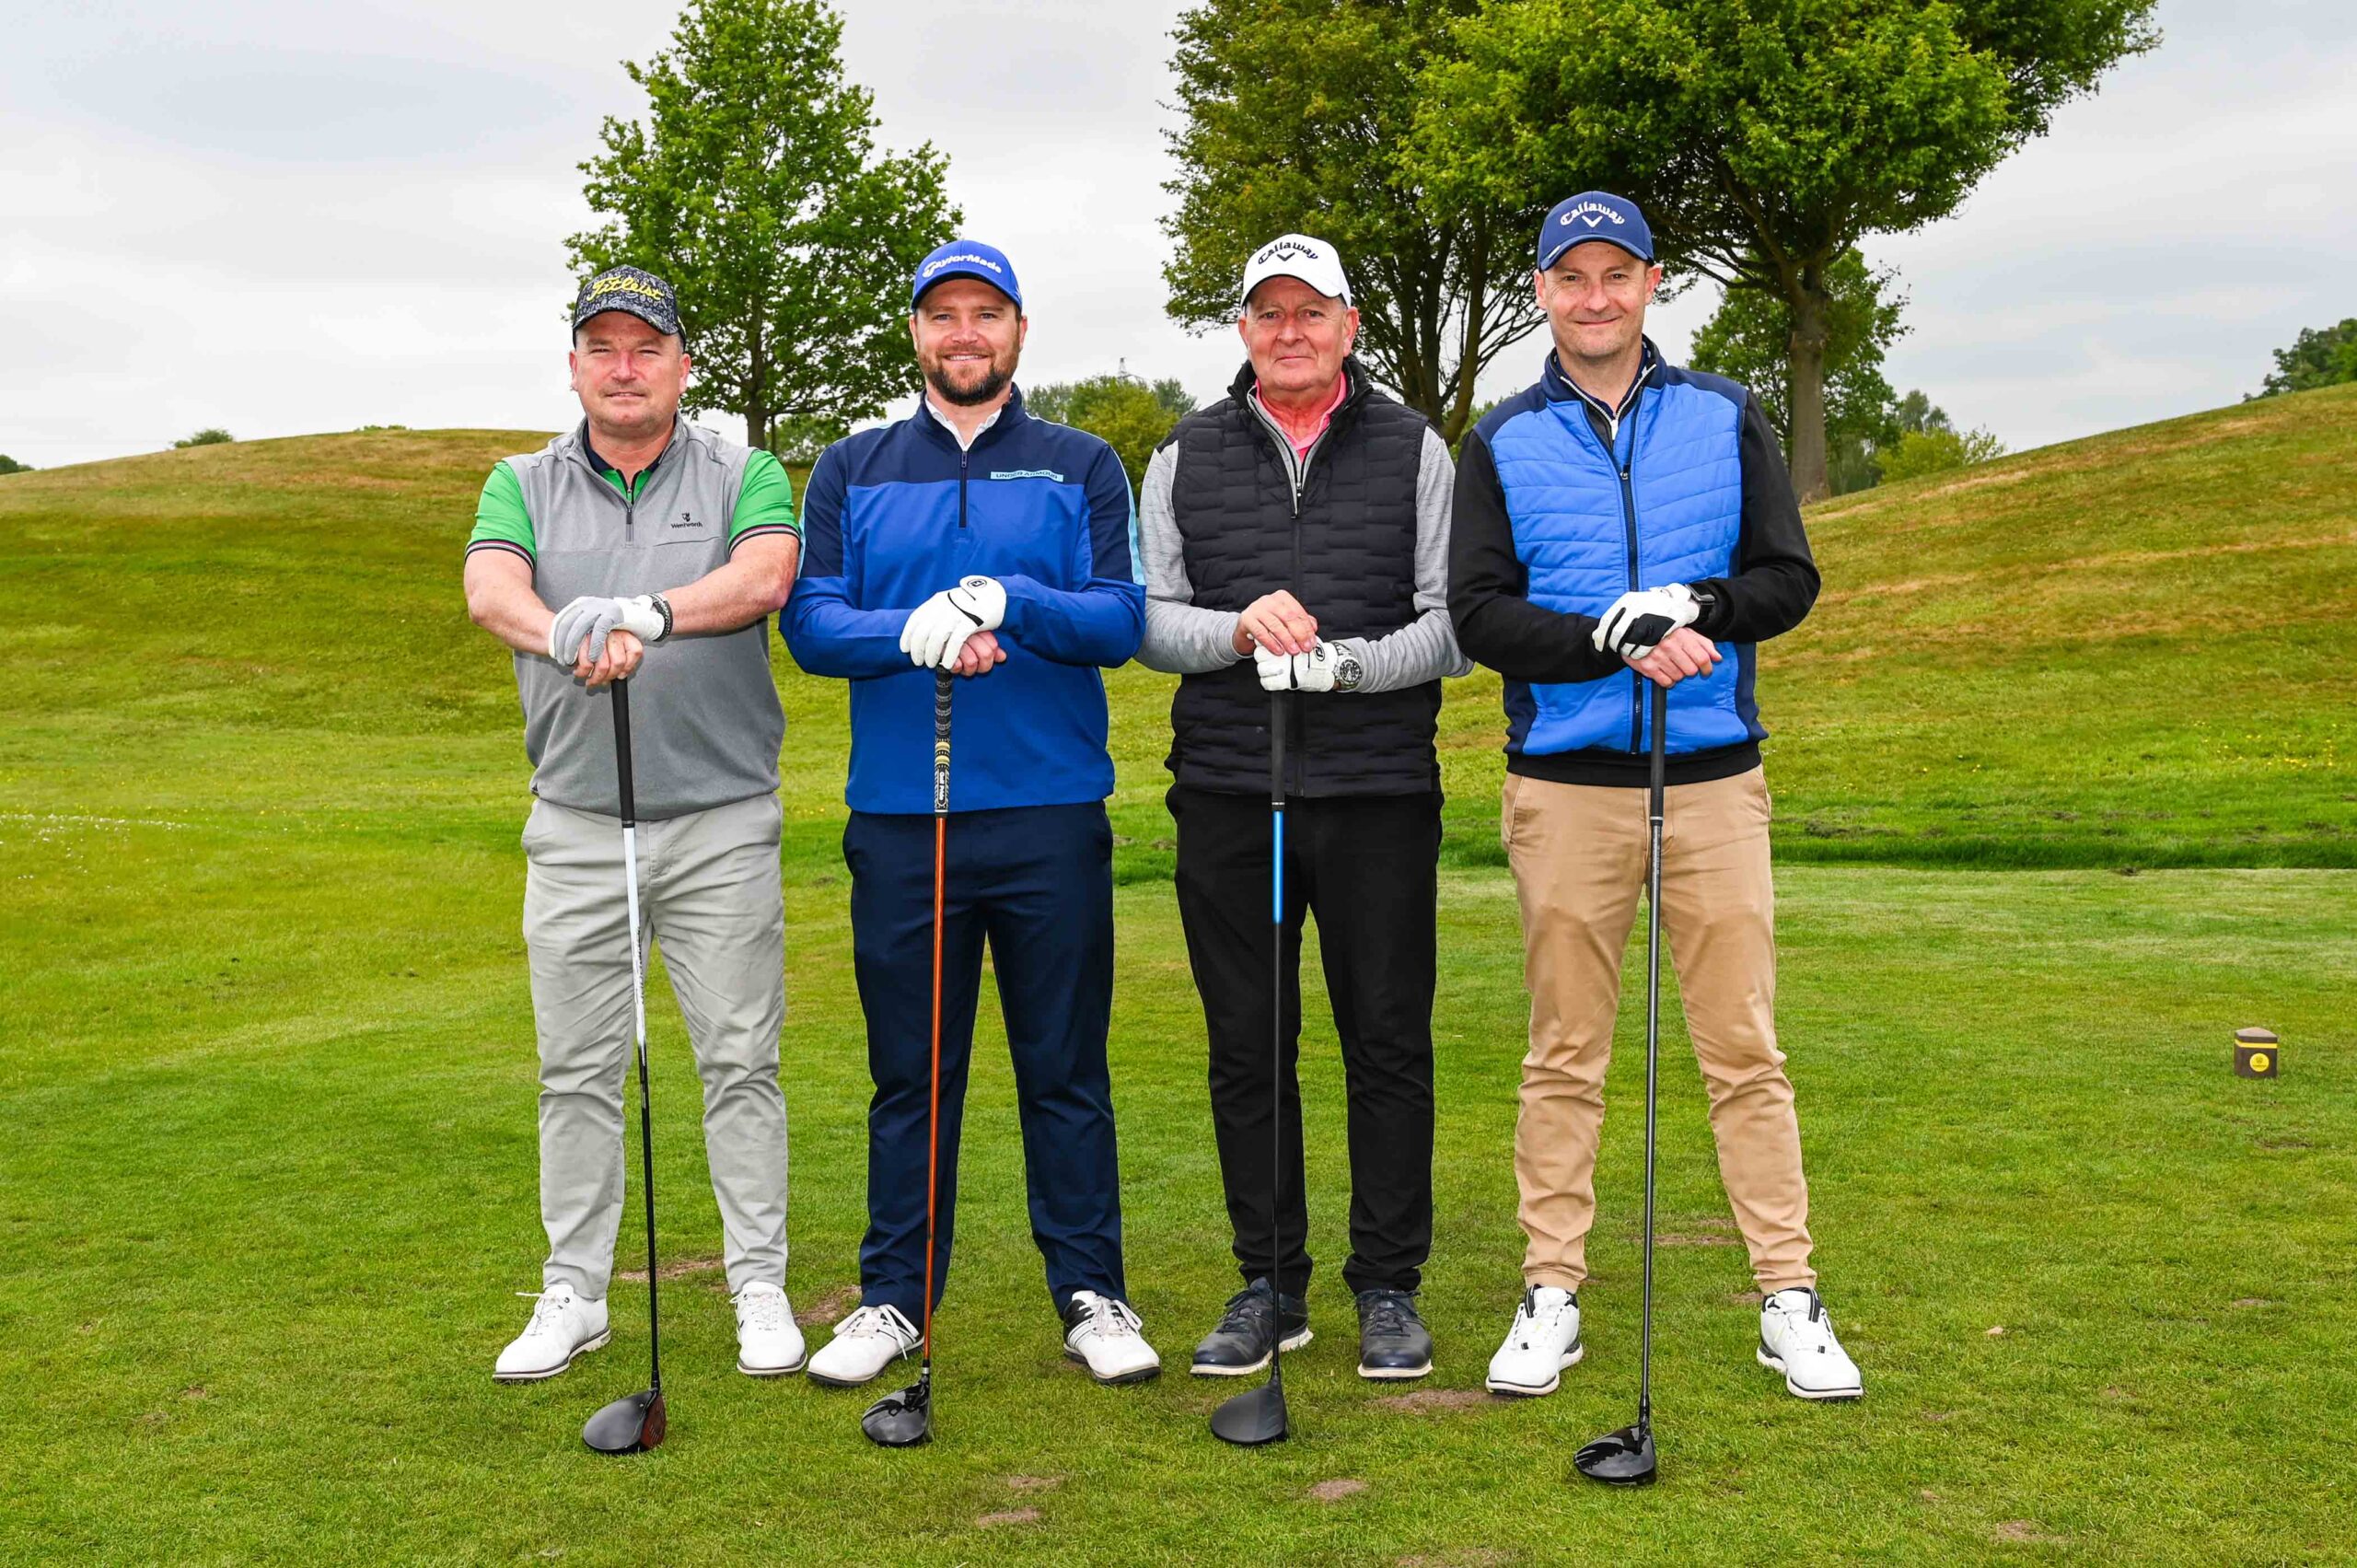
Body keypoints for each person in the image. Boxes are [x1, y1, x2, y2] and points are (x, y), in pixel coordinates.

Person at [1448, 192, 1862, 1401]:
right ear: (1542, 291)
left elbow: (1788, 578)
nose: (1595, 296)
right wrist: (1605, 635)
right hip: (1565, 785)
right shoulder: (1500, 440)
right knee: (1564, 1051)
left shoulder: (1725, 413)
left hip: (1715, 775)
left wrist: (1697, 607)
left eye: (1615, 273)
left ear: (1651, 282)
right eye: (1571, 276)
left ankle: (1788, 1293)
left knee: (1743, 1048)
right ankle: (1551, 1289)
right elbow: (1478, 613)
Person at [781, 239, 1160, 1388]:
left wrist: (1012, 602)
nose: (964, 333)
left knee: (1064, 1068)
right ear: (915, 332)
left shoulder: (1079, 463)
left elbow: (1120, 616)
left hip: (1049, 811)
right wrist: (913, 630)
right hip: (904, 819)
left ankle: (1091, 1290)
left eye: (985, 313)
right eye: (942, 313)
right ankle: (894, 1296)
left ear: (1018, 331)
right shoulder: (851, 466)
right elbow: (811, 621)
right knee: (912, 1073)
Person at [1137, 233, 1470, 1383]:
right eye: (1269, 312)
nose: (1290, 330)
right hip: (1231, 791)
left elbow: (1452, 624)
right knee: (1248, 1043)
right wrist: (1236, 631)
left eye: (1311, 310)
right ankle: (1268, 1281)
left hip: (1378, 792)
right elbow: (1149, 622)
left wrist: (1350, 666)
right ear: (1243, 328)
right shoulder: (1183, 452)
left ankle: (1387, 1284)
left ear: (1348, 325)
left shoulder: (1415, 446)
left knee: (1386, 1038)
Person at [462, 265, 805, 1384]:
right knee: (576, 1070)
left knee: (739, 1060)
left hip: (721, 821)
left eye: (645, 346)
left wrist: (645, 614)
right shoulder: (520, 481)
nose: (624, 367)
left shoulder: (743, 469)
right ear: (573, 366)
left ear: (682, 365)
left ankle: (758, 1282)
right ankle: (575, 1290)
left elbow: (764, 577)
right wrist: (565, 629)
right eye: (602, 347)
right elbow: (491, 591)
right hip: (575, 822)